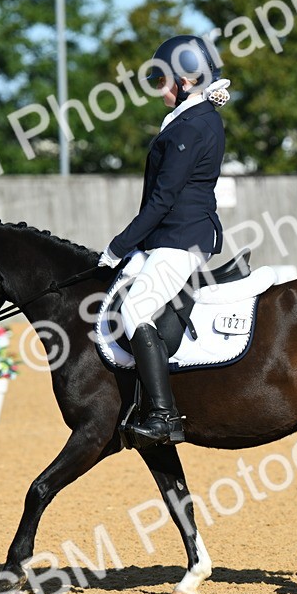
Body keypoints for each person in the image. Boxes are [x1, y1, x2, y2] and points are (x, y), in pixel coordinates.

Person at [98, 34, 232, 447]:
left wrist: (117, 247)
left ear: (188, 80)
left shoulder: (192, 125)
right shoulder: (190, 118)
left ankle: (163, 415)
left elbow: (162, 199)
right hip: (169, 235)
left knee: (136, 309)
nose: (157, 87)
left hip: (183, 237)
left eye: (161, 78)